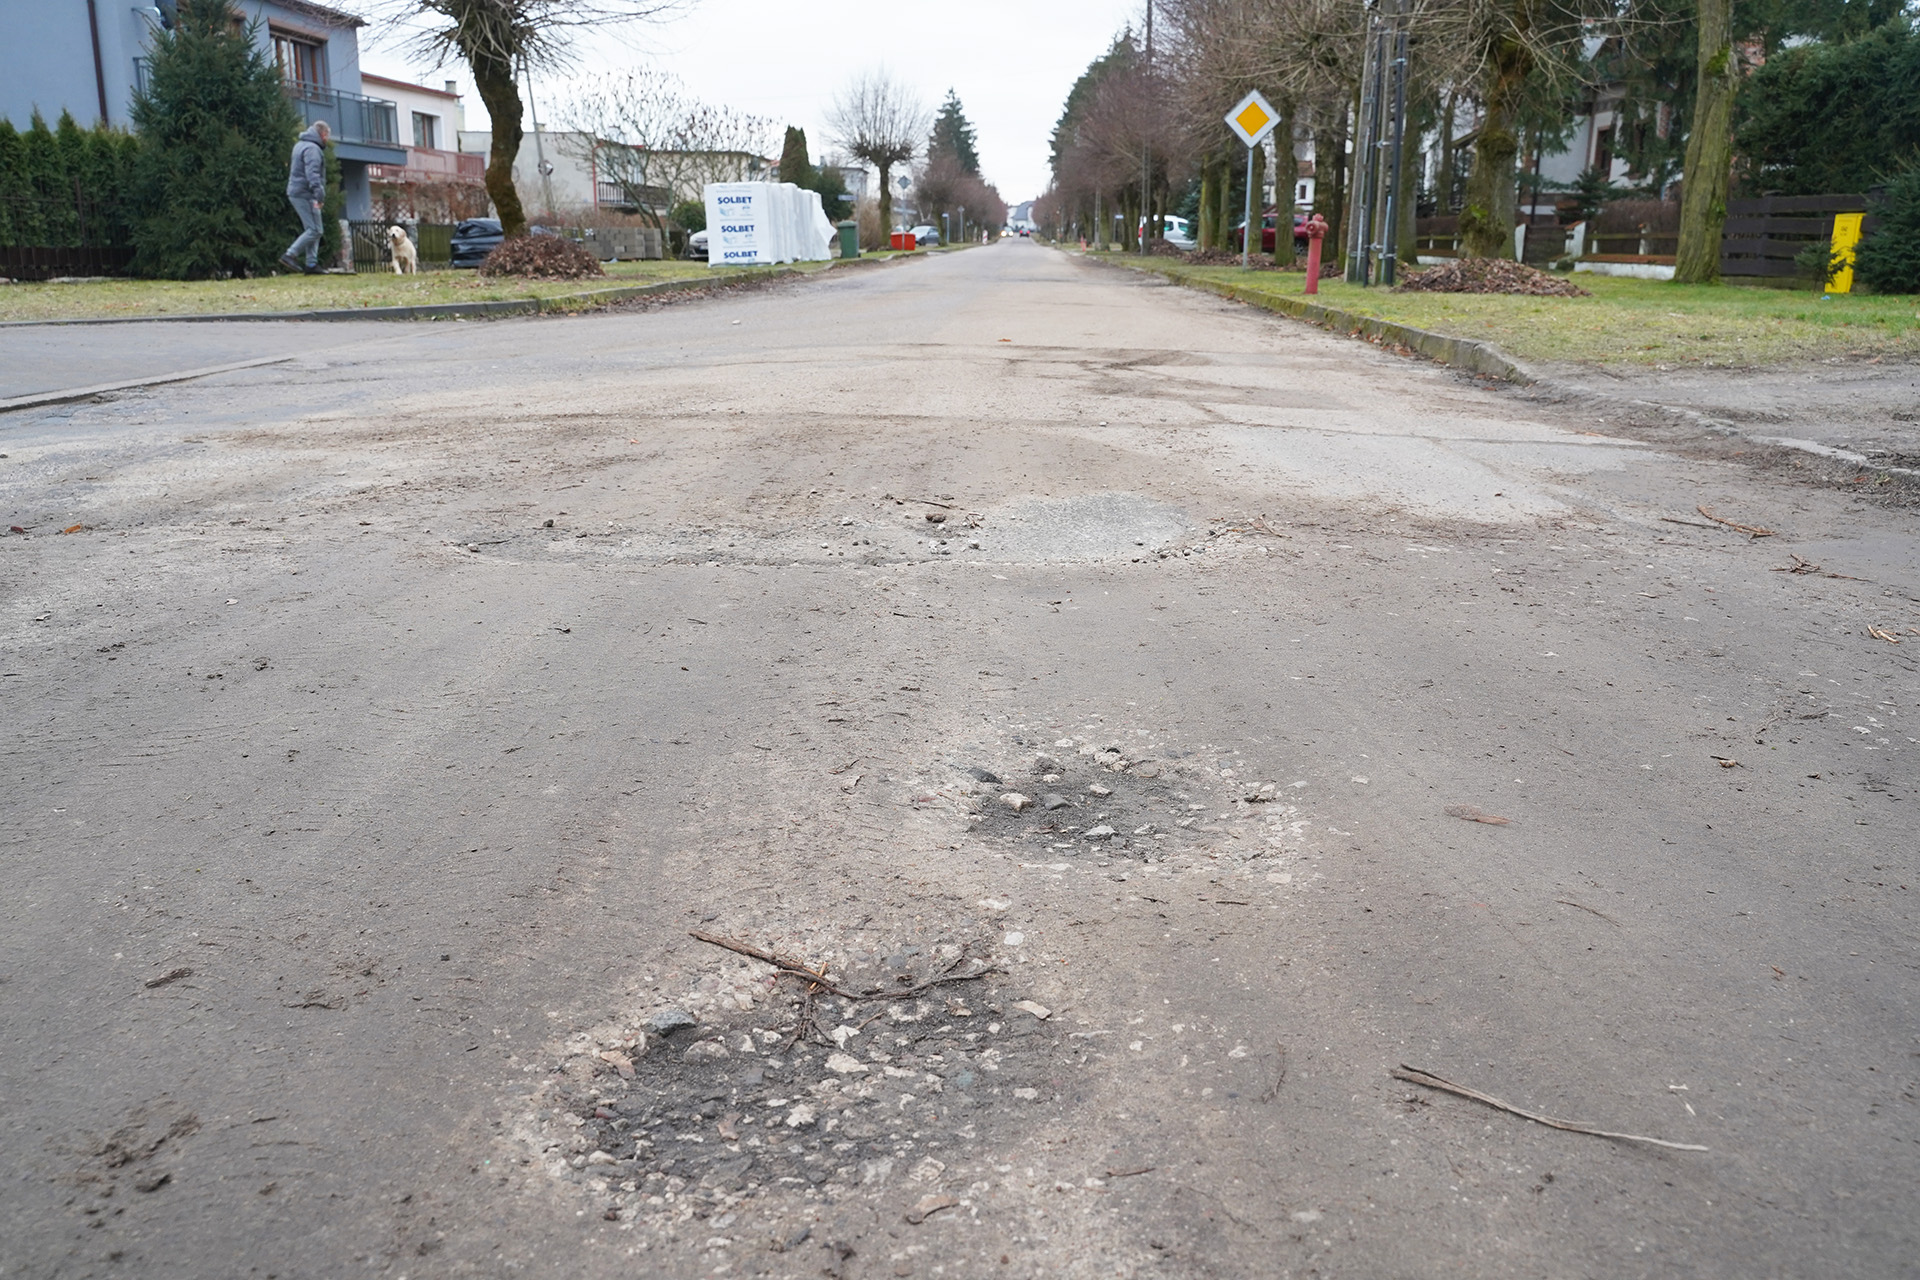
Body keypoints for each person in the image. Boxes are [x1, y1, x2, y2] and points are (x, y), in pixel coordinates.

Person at [280, 120, 330, 274]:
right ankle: (290, 254)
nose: (327, 139)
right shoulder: (312, 149)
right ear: (322, 134)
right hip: (305, 194)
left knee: (313, 228)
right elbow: (312, 174)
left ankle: (311, 264)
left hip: (297, 192)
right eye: (327, 136)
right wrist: (319, 195)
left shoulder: (300, 145)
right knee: (315, 230)